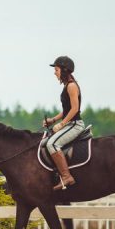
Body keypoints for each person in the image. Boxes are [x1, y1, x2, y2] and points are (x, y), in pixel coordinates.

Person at [43, 56, 85, 190]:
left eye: (56, 69)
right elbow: (66, 110)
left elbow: (75, 109)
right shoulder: (67, 86)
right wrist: (53, 120)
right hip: (70, 123)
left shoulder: (72, 86)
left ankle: (67, 177)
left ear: (64, 70)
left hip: (75, 125)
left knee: (52, 144)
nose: (55, 73)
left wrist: (61, 124)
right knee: (45, 142)